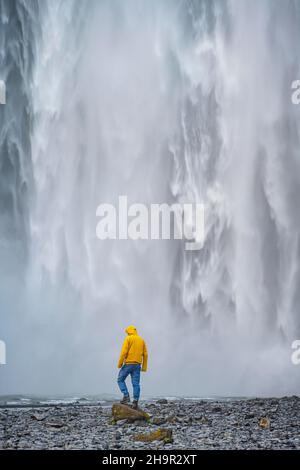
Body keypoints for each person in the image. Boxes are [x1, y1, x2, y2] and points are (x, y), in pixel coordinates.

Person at [117, 325, 148, 409]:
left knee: (120, 379)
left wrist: (120, 364)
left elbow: (123, 352)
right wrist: (144, 367)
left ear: (129, 331)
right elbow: (145, 354)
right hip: (137, 365)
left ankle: (126, 396)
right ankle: (135, 401)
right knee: (136, 383)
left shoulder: (128, 338)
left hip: (128, 364)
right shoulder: (142, 340)